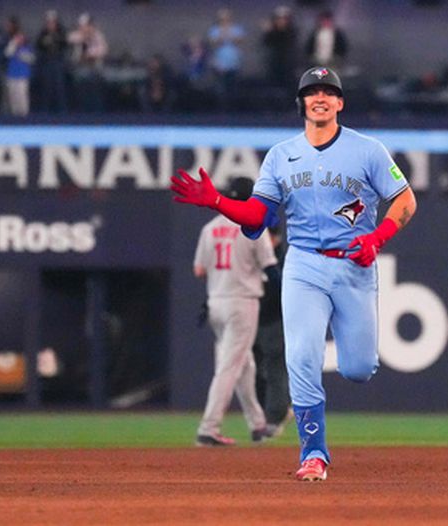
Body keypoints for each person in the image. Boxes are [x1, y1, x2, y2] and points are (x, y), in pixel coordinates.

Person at [171, 66, 417, 481]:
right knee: (301, 357)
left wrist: (378, 237)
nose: (319, 97)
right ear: (302, 103)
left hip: (355, 263)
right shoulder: (281, 155)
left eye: (328, 91)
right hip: (304, 263)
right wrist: (217, 200)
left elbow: (405, 201)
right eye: (311, 92)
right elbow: (257, 215)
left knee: (358, 367)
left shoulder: (368, 150)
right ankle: (314, 454)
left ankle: (317, 440)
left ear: (340, 102)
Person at [192, 176, 279, 447]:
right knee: (230, 366)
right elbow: (270, 268)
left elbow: (199, 270)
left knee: (244, 365)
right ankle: (208, 428)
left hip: (216, 301)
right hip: (242, 303)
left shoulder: (210, 228)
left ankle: (257, 424)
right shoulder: (253, 224)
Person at [251, 224, 292, 436]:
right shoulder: (253, 253)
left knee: (276, 369)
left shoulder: (285, 259)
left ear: (275, 238)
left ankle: (275, 417)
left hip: (275, 321)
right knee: (253, 370)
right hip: (251, 320)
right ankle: (262, 417)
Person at [207, 8, 244, 110]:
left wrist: (229, 34)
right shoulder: (214, 30)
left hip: (234, 63)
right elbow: (213, 42)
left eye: (226, 18)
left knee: (233, 88)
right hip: (219, 64)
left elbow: (239, 40)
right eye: (222, 18)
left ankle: (233, 109)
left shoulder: (237, 29)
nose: (224, 20)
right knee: (220, 88)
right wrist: (223, 34)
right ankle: (220, 110)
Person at [35, 9, 68, 113]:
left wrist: (54, 39)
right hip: (46, 63)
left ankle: (62, 112)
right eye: (48, 22)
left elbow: (65, 45)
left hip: (58, 63)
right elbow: (38, 46)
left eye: (52, 22)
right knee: (46, 88)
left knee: (59, 89)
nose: (50, 24)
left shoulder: (61, 32)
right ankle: (45, 112)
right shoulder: (43, 33)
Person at [261, 5, 297, 90]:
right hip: (274, 63)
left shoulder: (292, 31)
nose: (281, 21)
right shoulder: (272, 32)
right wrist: (268, 32)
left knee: (288, 87)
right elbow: (266, 43)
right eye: (279, 19)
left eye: (284, 19)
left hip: (288, 65)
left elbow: (288, 42)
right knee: (274, 87)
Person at [4, 31, 35, 117]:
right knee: (12, 96)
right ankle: (15, 114)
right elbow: (7, 54)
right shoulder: (12, 47)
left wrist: (21, 54)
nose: (19, 40)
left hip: (22, 76)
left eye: (20, 38)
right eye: (17, 38)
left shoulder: (28, 48)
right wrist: (13, 44)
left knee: (22, 95)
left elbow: (31, 59)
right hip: (12, 75)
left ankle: (24, 113)